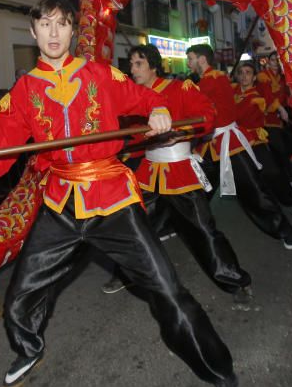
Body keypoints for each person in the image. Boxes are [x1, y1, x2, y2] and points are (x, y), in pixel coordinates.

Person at [0, 0, 241, 387]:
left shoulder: (102, 74)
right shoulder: (23, 93)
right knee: (20, 296)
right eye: (44, 24)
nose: (53, 33)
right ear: (32, 33)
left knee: (168, 292)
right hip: (60, 206)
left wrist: (159, 109)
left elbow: (144, 98)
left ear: (73, 31)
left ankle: (220, 373)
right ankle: (29, 348)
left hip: (113, 201)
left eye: (61, 24)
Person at [102, 44, 253, 307]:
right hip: (149, 174)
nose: (133, 69)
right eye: (131, 64)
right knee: (133, 226)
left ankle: (233, 279)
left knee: (203, 230)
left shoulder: (179, 88)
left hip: (180, 172)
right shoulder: (132, 97)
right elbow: (128, 132)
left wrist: (185, 132)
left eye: (138, 63)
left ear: (153, 65)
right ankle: (127, 273)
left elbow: (207, 115)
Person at [186, 44, 292, 251]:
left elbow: (198, 106)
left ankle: (284, 229)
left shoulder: (215, 79)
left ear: (201, 60)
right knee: (196, 188)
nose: (188, 62)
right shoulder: (215, 81)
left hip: (230, 143)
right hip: (210, 145)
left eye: (191, 58)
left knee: (254, 189)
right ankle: (182, 224)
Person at [234, 61, 292, 213]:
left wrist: (281, 109)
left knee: (272, 172)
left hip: (255, 140)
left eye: (248, 73)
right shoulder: (233, 92)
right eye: (241, 72)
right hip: (235, 142)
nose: (244, 76)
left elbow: (270, 101)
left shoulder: (257, 96)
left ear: (253, 78)